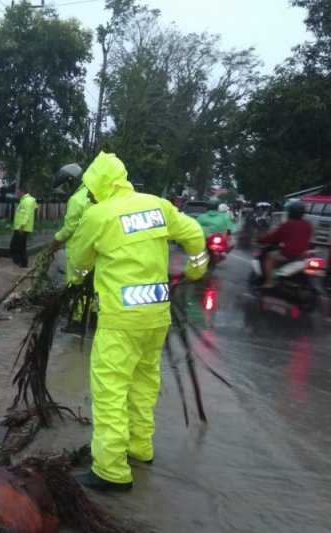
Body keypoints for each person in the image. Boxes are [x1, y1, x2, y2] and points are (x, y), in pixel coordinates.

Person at [67, 152, 208, 491]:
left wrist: (76, 279)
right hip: (156, 318)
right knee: (144, 385)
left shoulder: (97, 215)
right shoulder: (158, 205)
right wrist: (195, 269)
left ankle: (111, 471)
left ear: (98, 184)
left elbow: (77, 261)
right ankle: (139, 448)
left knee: (111, 391)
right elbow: (194, 233)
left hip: (119, 319)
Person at [257, 200, 312, 288]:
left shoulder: (288, 224)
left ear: (291, 212)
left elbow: (274, 237)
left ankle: (269, 282)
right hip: (302, 255)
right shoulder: (307, 225)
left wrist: (261, 240)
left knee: (269, 256)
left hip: (289, 254)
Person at [49, 163, 89, 282]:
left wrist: (55, 242)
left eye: (65, 186)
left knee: (73, 281)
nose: (65, 191)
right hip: (93, 247)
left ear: (71, 181)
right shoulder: (91, 192)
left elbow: (69, 229)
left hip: (79, 251)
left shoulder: (77, 199)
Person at [10, 188, 38, 267]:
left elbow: (27, 214)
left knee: (20, 246)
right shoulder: (24, 200)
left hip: (23, 227)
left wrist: (22, 225)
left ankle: (23, 263)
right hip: (19, 227)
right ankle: (18, 261)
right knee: (15, 245)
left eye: (18, 193)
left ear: (22, 192)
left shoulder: (28, 201)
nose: (17, 194)